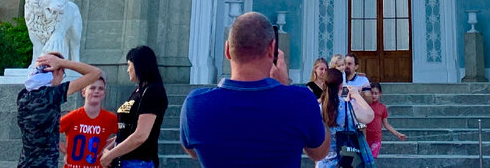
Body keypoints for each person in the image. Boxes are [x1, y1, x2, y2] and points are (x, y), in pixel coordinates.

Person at [180, 11, 329, 167]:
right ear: (272, 49)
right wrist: (285, 88)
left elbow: (193, 151)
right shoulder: (300, 101)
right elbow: (319, 152)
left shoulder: (195, 105)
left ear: (227, 50)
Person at [17, 52, 103, 168]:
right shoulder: (51, 95)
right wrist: (63, 63)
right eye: (63, 72)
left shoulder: (23, 95)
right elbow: (95, 73)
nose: (62, 78)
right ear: (56, 70)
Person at [100, 45, 167, 168]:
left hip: (138, 161)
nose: (127, 70)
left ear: (138, 65)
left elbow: (141, 135)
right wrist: (109, 147)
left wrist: (109, 156)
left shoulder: (153, 92)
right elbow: (127, 129)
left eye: (129, 65)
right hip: (123, 161)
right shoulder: (138, 91)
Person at [316, 67, 375, 168]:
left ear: (324, 85)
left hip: (324, 162)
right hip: (346, 161)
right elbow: (369, 116)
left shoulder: (318, 109)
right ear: (341, 85)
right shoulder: (349, 106)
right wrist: (356, 95)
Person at [59, 74, 118, 168]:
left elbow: (125, 135)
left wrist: (109, 147)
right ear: (83, 92)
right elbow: (49, 132)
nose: (97, 91)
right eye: (92, 88)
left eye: (100, 88)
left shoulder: (110, 118)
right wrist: (65, 151)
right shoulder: (73, 116)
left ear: (104, 94)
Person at [362, 82, 406, 159]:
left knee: (371, 159)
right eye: (372, 93)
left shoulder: (382, 108)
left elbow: (386, 124)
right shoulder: (364, 105)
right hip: (365, 137)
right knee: (365, 159)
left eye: (376, 93)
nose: (374, 96)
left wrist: (398, 134)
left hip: (376, 138)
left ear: (380, 94)